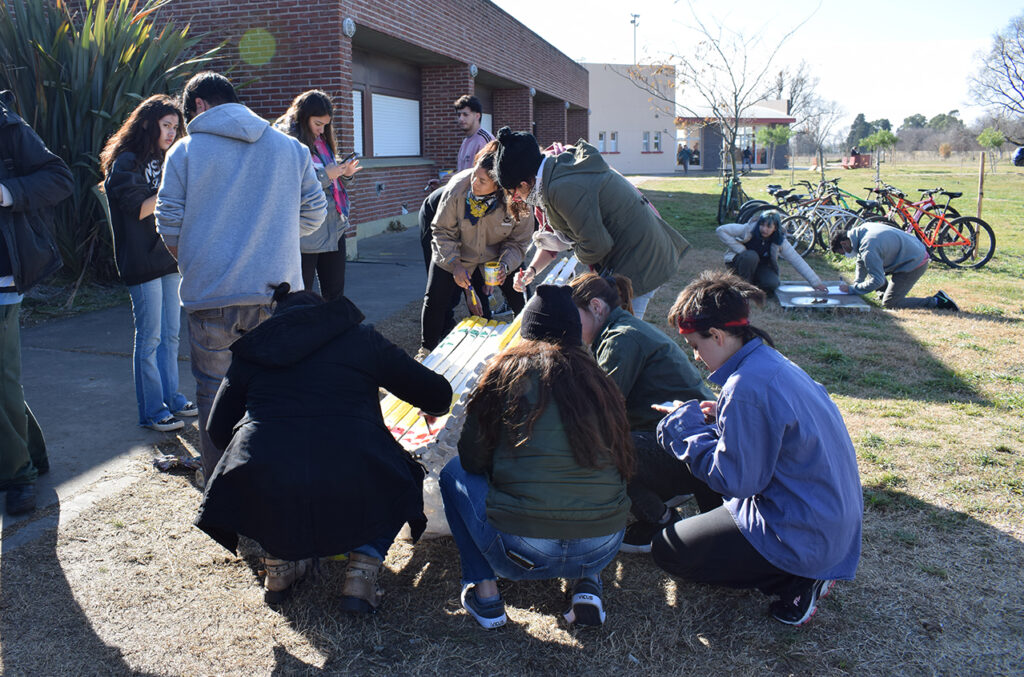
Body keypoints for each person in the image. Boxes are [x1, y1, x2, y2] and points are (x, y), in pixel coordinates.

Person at [197, 284, 452, 608]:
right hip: (355, 464)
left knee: (273, 468)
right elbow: (437, 394)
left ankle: (279, 563)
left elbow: (216, 429)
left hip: (269, 472)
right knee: (391, 470)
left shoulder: (255, 347)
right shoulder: (361, 338)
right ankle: (362, 571)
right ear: (324, 310)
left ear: (279, 316)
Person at [652, 271, 863, 626]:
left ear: (717, 336)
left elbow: (735, 480)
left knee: (669, 549)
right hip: (827, 518)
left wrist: (685, 427)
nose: (697, 358)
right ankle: (796, 566)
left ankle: (795, 580)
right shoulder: (770, 362)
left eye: (695, 346)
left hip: (801, 533)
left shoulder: (745, 387)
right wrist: (723, 415)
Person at [155, 72, 327, 480]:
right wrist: (275, 236)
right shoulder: (290, 148)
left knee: (215, 397)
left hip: (210, 295)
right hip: (278, 294)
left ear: (197, 104)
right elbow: (316, 215)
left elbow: (169, 221)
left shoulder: (184, 151)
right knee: (277, 395)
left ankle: (223, 499)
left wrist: (194, 260)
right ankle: (276, 487)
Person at [439, 285, 634, 629]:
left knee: (451, 472)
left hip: (519, 551)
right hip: (601, 545)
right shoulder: (601, 381)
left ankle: (485, 596)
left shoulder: (506, 375)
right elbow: (621, 462)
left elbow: (471, 460)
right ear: (575, 332)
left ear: (526, 331)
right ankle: (587, 587)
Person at [568, 272, 715, 553]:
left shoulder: (621, 340)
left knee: (598, 446)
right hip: (686, 441)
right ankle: (663, 498)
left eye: (574, 318)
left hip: (688, 449)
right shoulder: (620, 330)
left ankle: (662, 520)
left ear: (596, 307)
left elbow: (597, 413)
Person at [494, 126, 690, 320]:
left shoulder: (560, 188)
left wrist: (579, 269)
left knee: (618, 328)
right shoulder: (557, 171)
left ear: (524, 184)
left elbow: (596, 245)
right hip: (639, 250)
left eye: (514, 193)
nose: (517, 198)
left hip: (640, 259)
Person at [101, 95, 196, 434]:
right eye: (166, 125)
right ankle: (153, 411)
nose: (172, 133)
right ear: (147, 123)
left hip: (167, 259)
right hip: (140, 262)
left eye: (175, 127)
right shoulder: (125, 162)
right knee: (150, 338)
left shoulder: (166, 159)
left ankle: (171, 399)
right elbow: (139, 208)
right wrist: (174, 186)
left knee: (171, 336)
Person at [0, 89, 73, 516]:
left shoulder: (8, 124)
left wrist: (5, 192)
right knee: (3, 377)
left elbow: (59, 178)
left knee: (2, 377)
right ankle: (34, 457)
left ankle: (18, 475)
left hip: (5, 272)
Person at [420, 141, 533, 353]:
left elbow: (518, 241)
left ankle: (527, 344)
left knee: (519, 291)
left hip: (493, 249)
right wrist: (455, 264)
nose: (474, 182)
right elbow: (443, 232)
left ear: (499, 186)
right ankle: (426, 350)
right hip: (448, 235)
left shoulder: (519, 201)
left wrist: (504, 266)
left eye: (482, 181)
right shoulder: (458, 188)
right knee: (437, 295)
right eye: (474, 175)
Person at [275, 90, 361, 301]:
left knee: (334, 295)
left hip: (334, 227)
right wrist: (326, 175)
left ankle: (332, 334)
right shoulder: (286, 142)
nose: (322, 131)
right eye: (318, 124)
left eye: (326, 125)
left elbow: (333, 181)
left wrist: (345, 174)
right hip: (305, 233)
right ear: (303, 118)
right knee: (302, 297)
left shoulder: (321, 141)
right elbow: (289, 185)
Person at [829, 224, 959, 310]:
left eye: (842, 252)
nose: (845, 255)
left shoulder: (868, 247)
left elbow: (877, 280)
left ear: (844, 243)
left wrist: (852, 289)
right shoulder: (860, 232)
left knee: (891, 303)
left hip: (914, 263)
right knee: (872, 267)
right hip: (910, 252)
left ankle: (938, 301)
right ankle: (884, 293)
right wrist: (857, 283)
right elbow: (861, 261)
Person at [717, 210, 826, 295]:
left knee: (772, 284)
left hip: (762, 266)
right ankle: (743, 288)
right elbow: (721, 230)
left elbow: (797, 260)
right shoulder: (748, 229)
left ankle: (752, 283)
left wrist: (816, 283)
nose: (764, 229)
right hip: (740, 262)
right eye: (762, 225)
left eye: (769, 226)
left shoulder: (779, 241)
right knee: (751, 256)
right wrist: (741, 249)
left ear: (775, 228)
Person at [455, 95, 493, 172]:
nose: (461, 119)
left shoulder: (485, 140)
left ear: (477, 116)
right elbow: (463, 172)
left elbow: (486, 174)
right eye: (459, 115)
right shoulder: (465, 141)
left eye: (465, 115)